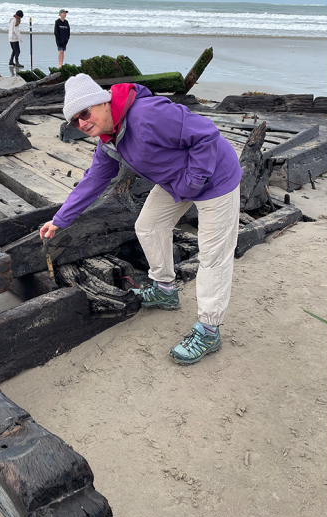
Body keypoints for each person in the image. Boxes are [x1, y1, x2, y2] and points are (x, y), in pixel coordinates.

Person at [39, 73, 243, 365]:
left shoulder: (149, 114)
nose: (82, 123)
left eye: (84, 113)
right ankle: (164, 290)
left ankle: (209, 330)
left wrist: (192, 182)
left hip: (216, 178)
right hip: (179, 181)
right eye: (74, 121)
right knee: (148, 226)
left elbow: (206, 135)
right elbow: (94, 180)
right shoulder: (109, 141)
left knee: (213, 256)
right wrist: (59, 219)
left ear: (102, 102)